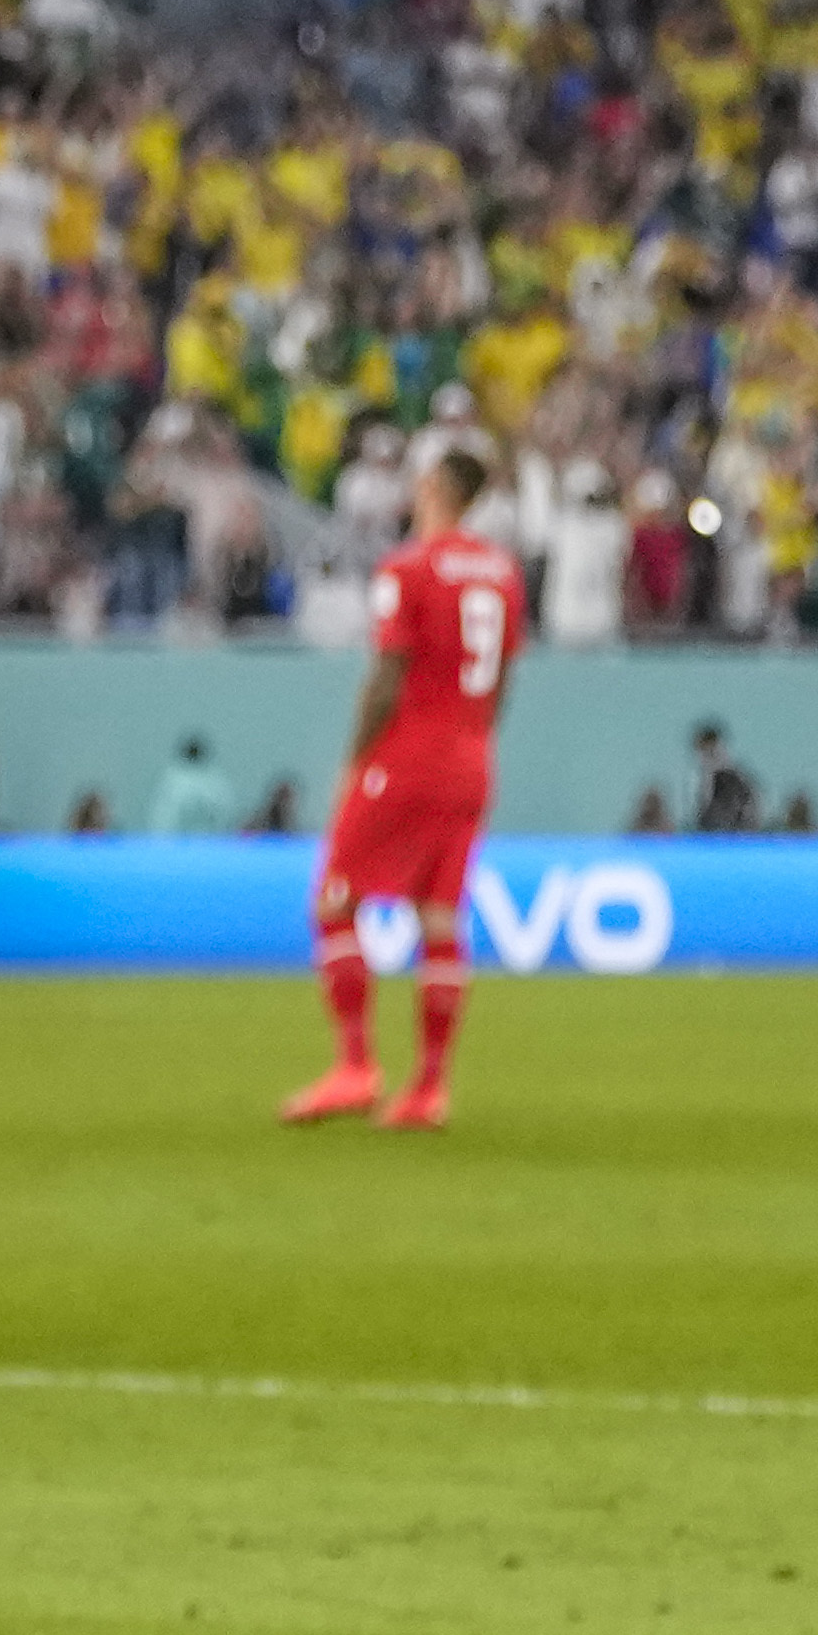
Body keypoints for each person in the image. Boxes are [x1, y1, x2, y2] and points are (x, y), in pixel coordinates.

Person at [294, 438, 521, 1131]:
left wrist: (354, 761)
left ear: (430, 487)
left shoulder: (407, 568)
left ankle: (355, 1066)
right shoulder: (502, 573)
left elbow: (386, 674)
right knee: (440, 917)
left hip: (406, 756)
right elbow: (503, 679)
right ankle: (428, 1087)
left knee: (334, 900)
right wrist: (472, 741)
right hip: (471, 759)